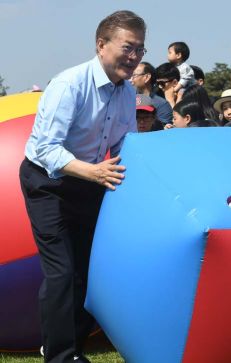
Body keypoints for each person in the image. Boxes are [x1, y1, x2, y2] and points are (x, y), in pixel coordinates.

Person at [18, 10, 146, 363]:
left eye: (140, 50)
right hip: (48, 180)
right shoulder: (69, 85)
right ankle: (59, 356)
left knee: (90, 272)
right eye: (128, 47)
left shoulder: (126, 92)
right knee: (61, 271)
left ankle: (71, 347)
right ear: (101, 44)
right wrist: (93, 174)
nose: (134, 57)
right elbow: (45, 149)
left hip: (89, 179)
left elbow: (124, 146)